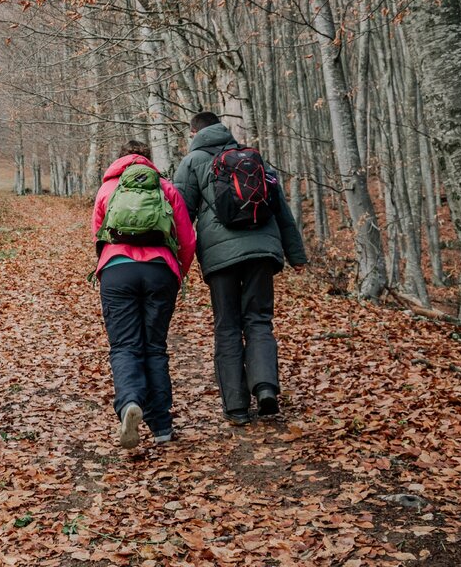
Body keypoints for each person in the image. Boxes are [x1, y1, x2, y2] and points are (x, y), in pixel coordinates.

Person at [172, 112, 308, 425]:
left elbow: (181, 214)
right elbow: (281, 209)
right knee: (259, 320)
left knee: (227, 324)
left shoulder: (193, 162)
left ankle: (235, 406)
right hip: (263, 249)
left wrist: (176, 262)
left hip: (221, 258)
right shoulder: (252, 157)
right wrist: (296, 255)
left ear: (194, 131)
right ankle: (264, 389)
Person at [92, 140, 196, 448]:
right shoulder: (166, 187)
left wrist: (109, 264)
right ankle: (162, 426)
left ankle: (130, 403)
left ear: (119, 160)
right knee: (155, 347)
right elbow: (187, 238)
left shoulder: (108, 189)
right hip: (160, 271)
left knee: (125, 345)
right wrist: (178, 272)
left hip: (117, 269)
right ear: (147, 160)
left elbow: (98, 234)